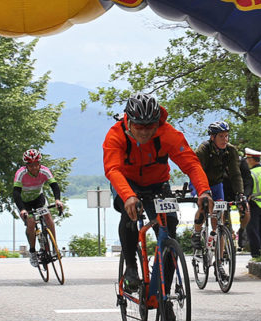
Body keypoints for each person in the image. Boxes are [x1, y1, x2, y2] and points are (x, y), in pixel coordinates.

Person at [103, 93, 212, 294]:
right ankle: (131, 268)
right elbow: (113, 170)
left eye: (150, 127)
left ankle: (165, 293)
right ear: (129, 122)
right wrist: (128, 196)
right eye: (139, 127)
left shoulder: (168, 134)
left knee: (169, 231)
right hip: (127, 183)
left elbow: (192, 164)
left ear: (157, 122)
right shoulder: (115, 135)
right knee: (130, 213)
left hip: (158, 184)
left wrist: (204, 191)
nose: (145, 132)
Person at [190, 121, 248, 271]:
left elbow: (235, 174)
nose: (225, 139)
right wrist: (203, 192)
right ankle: (196, 233)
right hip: (199, 181)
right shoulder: (203, 149)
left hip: (216, 184)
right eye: (221, 136)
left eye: (227, 136)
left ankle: (219, 261)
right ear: (213, 137)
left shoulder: (231, 151)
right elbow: (197, 171)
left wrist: (240, 194)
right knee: (204, 206)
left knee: (219, 219)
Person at [12, 148, 64, 266]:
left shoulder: (45, 171)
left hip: (38, 199)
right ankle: (32, 251)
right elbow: (16, 193)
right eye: (30, 165)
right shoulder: (21, 173)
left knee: (48, 216)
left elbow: (54, 186)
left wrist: (57, 200)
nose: (34, 168)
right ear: (26, 165)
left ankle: (55, 247)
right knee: (30, 222)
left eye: (36, 164)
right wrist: (22, 210)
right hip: (24, 202)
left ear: (39, 164)